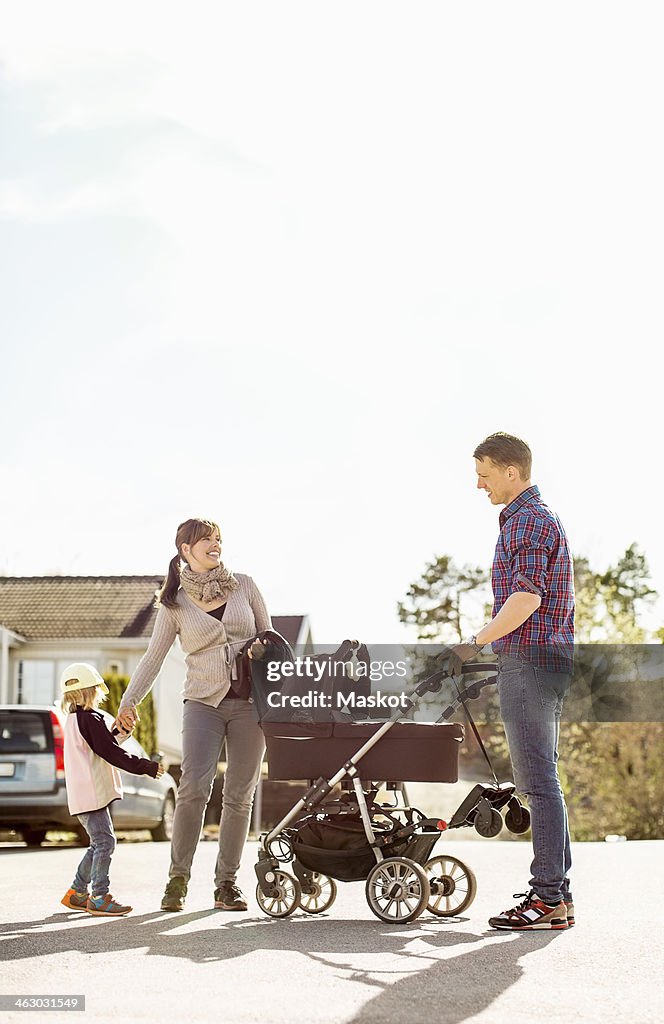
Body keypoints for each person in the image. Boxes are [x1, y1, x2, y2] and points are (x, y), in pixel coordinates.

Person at [447, 432, 575, 931]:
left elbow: (525, 600)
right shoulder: (540, 519)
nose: (479, 486)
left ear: (511, 472)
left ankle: (544, 898)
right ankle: (556, 897)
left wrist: (473, 642)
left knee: (536, 783)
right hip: (548, 660)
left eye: (484, 475)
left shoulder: (526, 522)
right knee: (546, 779)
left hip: (529, 660)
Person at [114, 517, 271, 913]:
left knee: (239, 796)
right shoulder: (174, 603)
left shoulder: (245, 585)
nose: (215, 545)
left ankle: (227, 884)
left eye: (218, 539)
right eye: (207, 540)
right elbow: (154, 657)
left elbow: (271, 640)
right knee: (193, 789)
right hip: (202, 703)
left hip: (251, 704)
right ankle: (177, 879)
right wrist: (128, 701)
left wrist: (261, 654)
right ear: (186, 549)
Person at [60, 662, 165, 917]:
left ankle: (77, 893)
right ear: (90, 691)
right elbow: (109, 752)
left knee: (98, 843)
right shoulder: (91, 719)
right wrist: (145, 766)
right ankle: (98, 896)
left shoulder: (75, 720)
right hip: (93, 793)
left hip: (83, 793)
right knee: (105, 842)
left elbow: (102, 745)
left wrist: (121, 731)